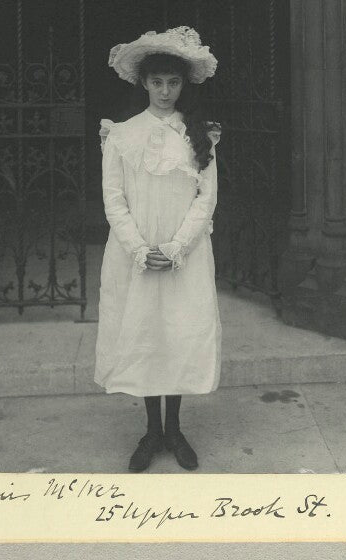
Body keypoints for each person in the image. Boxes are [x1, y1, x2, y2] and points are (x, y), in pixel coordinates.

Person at [94, 26, 222, 472]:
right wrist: (139, 248)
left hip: (183, 252)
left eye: (173, 82)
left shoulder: (199, 135)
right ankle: (152, 431)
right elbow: (113, 198)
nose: (165, 91)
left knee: (179, 334)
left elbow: (206, 198)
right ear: (144, 84)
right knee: (146, 334)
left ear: (183, 85)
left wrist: (176, 246)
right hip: (138, 253)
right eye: (157, 82)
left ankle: (175, 429)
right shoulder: (121, 135)